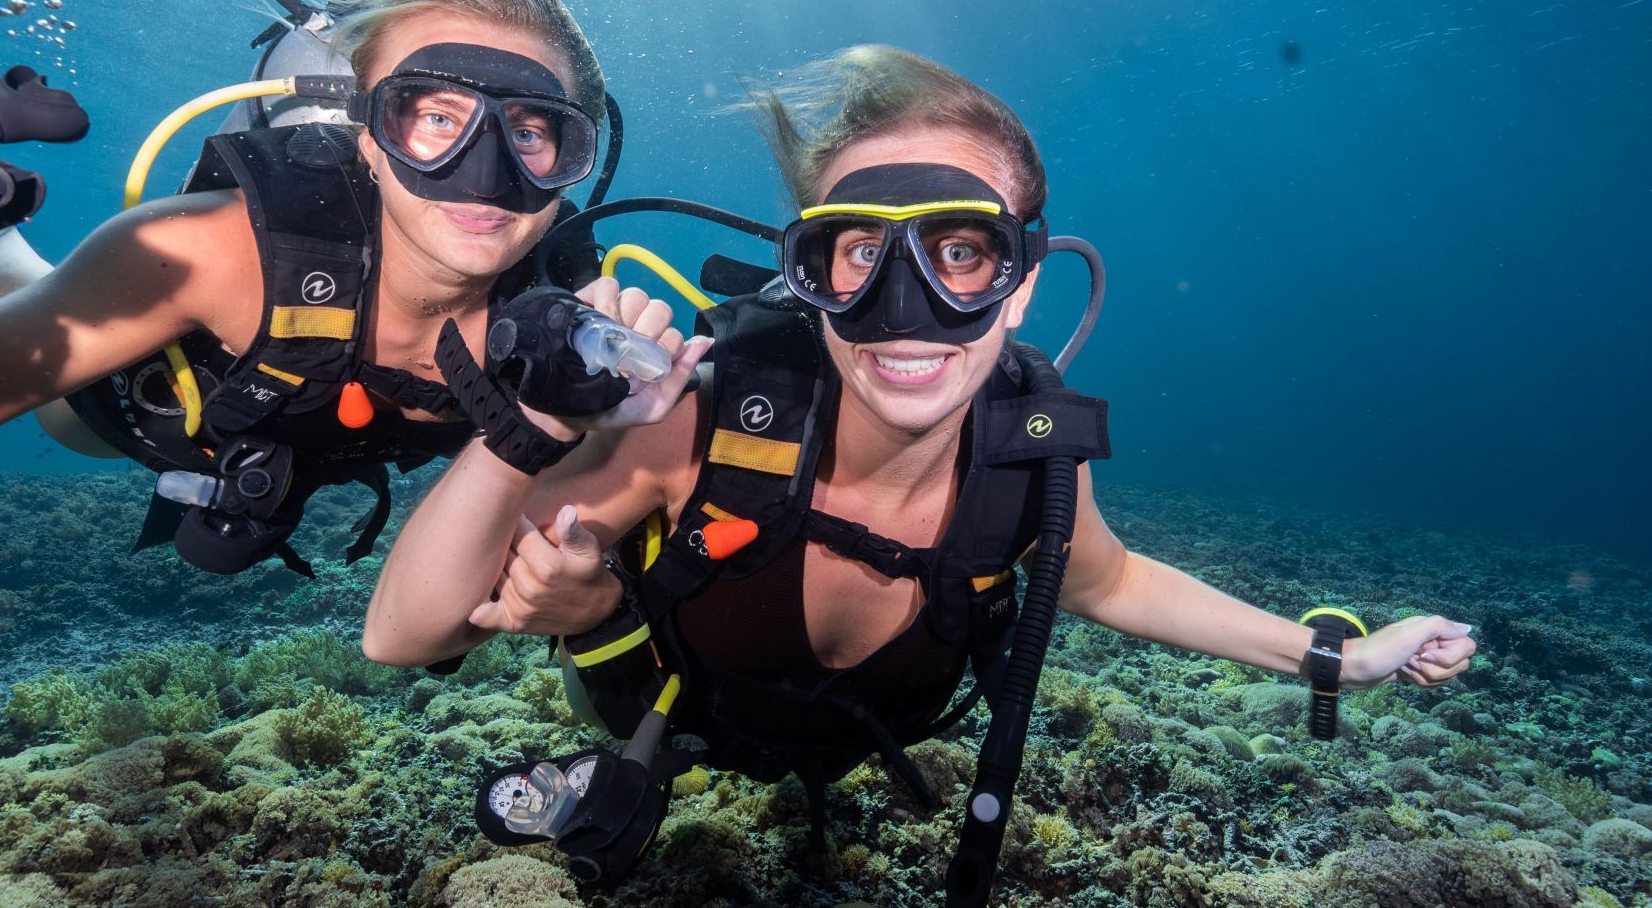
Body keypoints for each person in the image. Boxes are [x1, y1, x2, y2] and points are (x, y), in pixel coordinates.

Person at [359, 45, 1477, 892]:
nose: (907, 315)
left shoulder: (1026, 448)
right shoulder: (704, 420)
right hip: (665, 713)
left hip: (871, 743)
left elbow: (1110, 581)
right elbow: (403, 635)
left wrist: (1342, 661)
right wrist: (544, 450)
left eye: (958, 252)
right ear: (809, 277)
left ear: (1022, 281)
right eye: (857, 253)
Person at [0, 0, 612, 575]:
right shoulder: (208, 254)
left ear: (576, 150)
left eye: (534, 132)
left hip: (331, 439)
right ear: (367, 131)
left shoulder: (575, 319)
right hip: (144, 411)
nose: (488, 169)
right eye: (435, 116)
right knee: (63, 379)